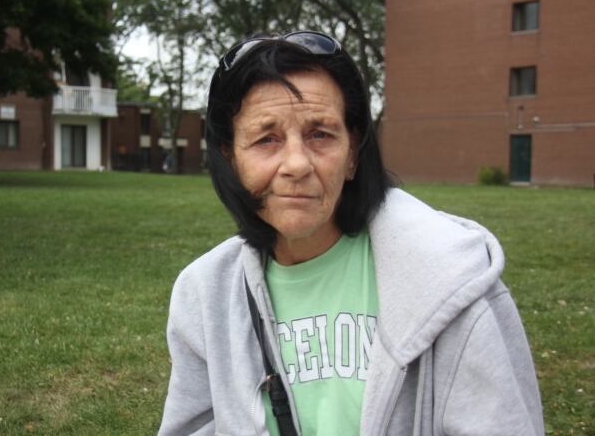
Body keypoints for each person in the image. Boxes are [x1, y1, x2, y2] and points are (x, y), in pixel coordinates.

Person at [158, 31, 544, 436]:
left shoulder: (452, 281)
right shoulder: (204, 296)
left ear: (353, 153)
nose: (296, 164)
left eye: (319, 134)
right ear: (230, 158)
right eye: (266, 139)